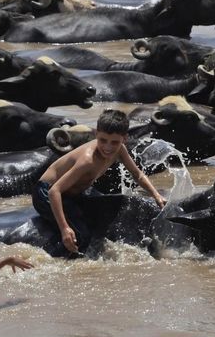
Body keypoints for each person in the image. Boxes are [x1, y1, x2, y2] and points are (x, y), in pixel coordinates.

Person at [32, 109, 166, 257]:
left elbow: (137, 174)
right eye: (103, 140)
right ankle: (53, 260)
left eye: (114, 142)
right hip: (46, 193)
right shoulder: (87, 160)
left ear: (124, 139)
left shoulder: (120, 150)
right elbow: (54, 191)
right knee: (80, 234)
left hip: (74, 194)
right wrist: (65, 228)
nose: (108, 147)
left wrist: (156, 195)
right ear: (96, 134)